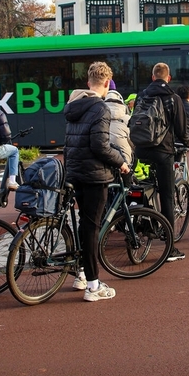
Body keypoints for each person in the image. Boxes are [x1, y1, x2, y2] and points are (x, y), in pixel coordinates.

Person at [63, 62, 130, 302]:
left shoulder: (73, 105)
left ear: (87, 82)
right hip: (94, 175)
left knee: (84, 225)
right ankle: (93, 286)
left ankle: (81, 274)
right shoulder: (100, 108)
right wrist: (120, 162)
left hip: (76, 172)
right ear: (105, 83)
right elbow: (100, 146)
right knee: (91, 228)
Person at [132, 62, 189, 262]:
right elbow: (182, 129)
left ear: (152, 77)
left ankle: (144, 225)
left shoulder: (142, 96)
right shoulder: (173, 99)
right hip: (162, 152)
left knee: (142, 189)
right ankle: (170, 248)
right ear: (168, 78)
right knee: (167, 196)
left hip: (140, 151)